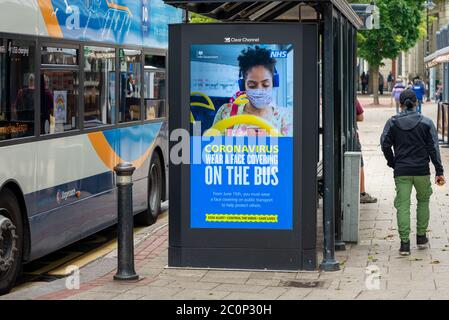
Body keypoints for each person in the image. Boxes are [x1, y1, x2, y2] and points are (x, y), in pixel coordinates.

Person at [381, 89, 445, 256]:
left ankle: (404, 244)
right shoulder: (426, 122)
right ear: (416, 103)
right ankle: (421, 238)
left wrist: (392, 162)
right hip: (422, 170)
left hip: (401, 170)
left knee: (403, 206)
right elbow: (434, 148)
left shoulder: (392, 122)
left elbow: (384, 144)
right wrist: (439, 170)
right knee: (423, 201)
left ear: (400, 104)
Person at [213, 46, 292, 136]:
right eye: (252, 86)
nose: (259, 91)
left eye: (265, 85)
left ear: (274, 83)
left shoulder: (286, 118)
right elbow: (213, 147)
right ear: (243, 86)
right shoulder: (226, 112)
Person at [355, 99, 378, 204]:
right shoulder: (352, 98)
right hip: (352, 136)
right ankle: (361, 193)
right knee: (360, 164)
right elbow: (360, 117)